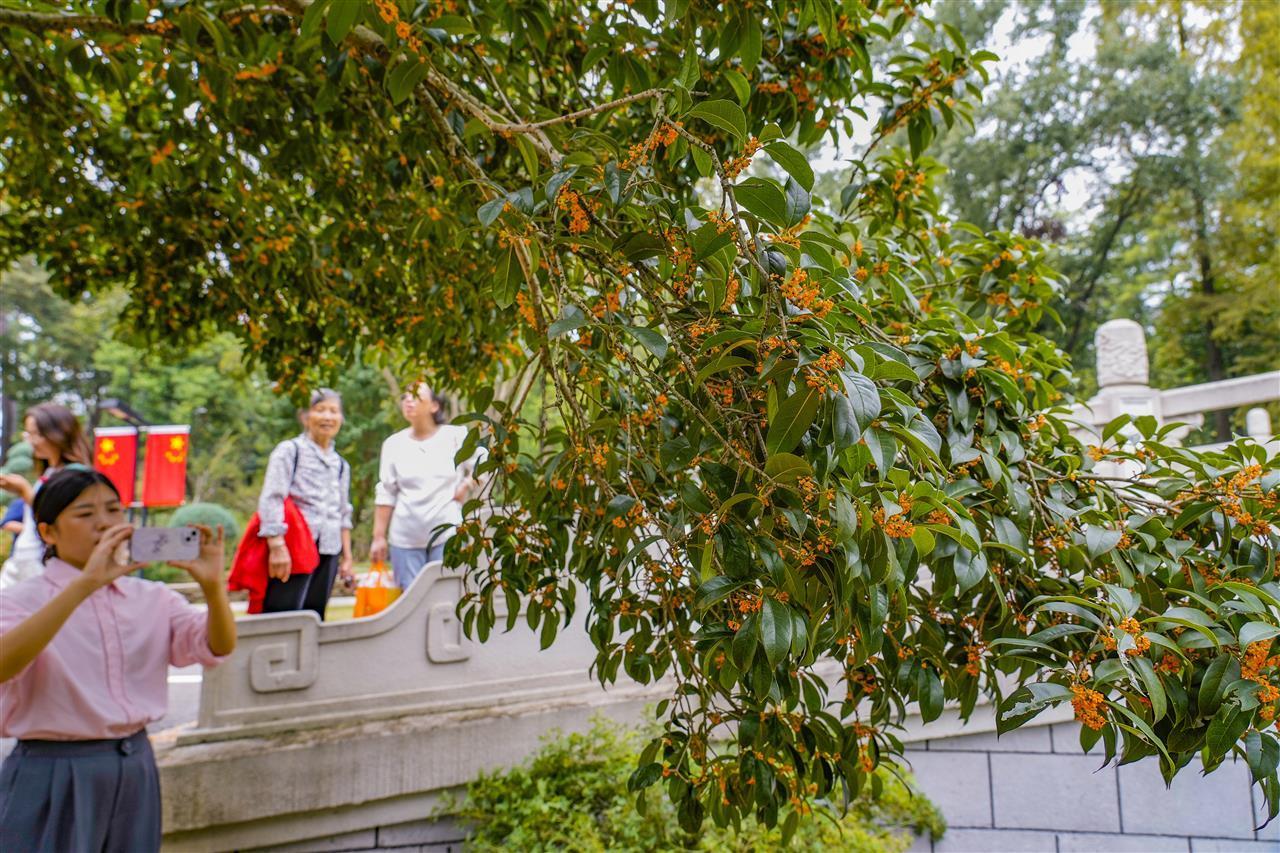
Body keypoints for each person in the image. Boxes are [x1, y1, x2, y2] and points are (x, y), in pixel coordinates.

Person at [0, 468, 235, 852]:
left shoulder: (153, 598)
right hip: (51, 769)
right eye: (85, 514)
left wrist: (213, 586)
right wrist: (84, 586)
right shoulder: (18, 601)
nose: (105, 524)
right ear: (49, 533)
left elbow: (218, 646)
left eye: (113, 510)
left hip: (136, 765)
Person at [370, 382, 485, 590]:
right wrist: (378, 537)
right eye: (405, 397)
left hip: (447, 535)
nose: (408, 401)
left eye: (415, 396)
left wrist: (467, 484)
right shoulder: (393, 444)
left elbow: (485, 462)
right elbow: (386, 492)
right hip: (405, 539)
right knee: (409, 605)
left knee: (446, 599)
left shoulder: (455, 436)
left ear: (434, 406)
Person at [256, 388, 354, 619]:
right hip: (294, 549)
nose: (328, 417)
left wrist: (347, 557)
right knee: (282, 618)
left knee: (315, 618)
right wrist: (276, 546)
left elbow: (343, 512)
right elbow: (272, 497)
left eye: (334, 411)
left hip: (329, 549)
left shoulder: (340, 464)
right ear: (305, 416)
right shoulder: (289, 451)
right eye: (320, 410)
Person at [0, 404, 92, 590]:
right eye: (28, 434)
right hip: (24, 559)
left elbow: (61, 518)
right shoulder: (50, 471)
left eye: (37, 434)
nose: (31, 441)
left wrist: (24, 491)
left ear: (58, 433)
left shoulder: (76, 474)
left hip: (42, 564)